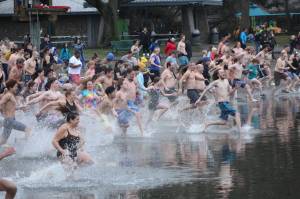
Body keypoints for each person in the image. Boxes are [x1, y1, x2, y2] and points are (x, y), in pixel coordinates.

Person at [0, 79, 31, 145]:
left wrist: (21, 108)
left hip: (9, 120)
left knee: (2, 142)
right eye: (15, 87)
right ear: (11, 87)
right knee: (28, 129)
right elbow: (1, 103)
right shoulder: (8, 95)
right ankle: (20, 142)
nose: (17, 88)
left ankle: (18, 141)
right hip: (9, 120)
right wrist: (3, 112)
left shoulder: (10, 95)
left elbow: (11, 107)